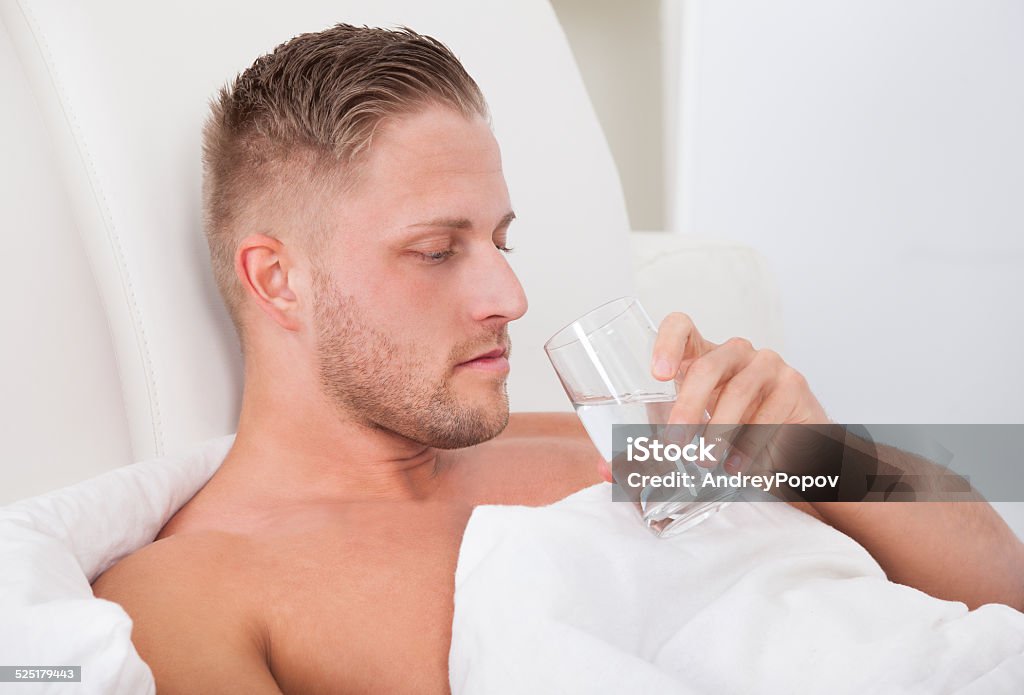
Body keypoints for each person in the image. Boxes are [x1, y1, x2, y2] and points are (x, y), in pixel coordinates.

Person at [91, 23, 1023, 694]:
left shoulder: (619, 444)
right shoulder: (194, 593)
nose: (509, 295)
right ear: (278, 279)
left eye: (502, 238)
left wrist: (824, 451)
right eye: (436, 249)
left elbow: (1004, 594)